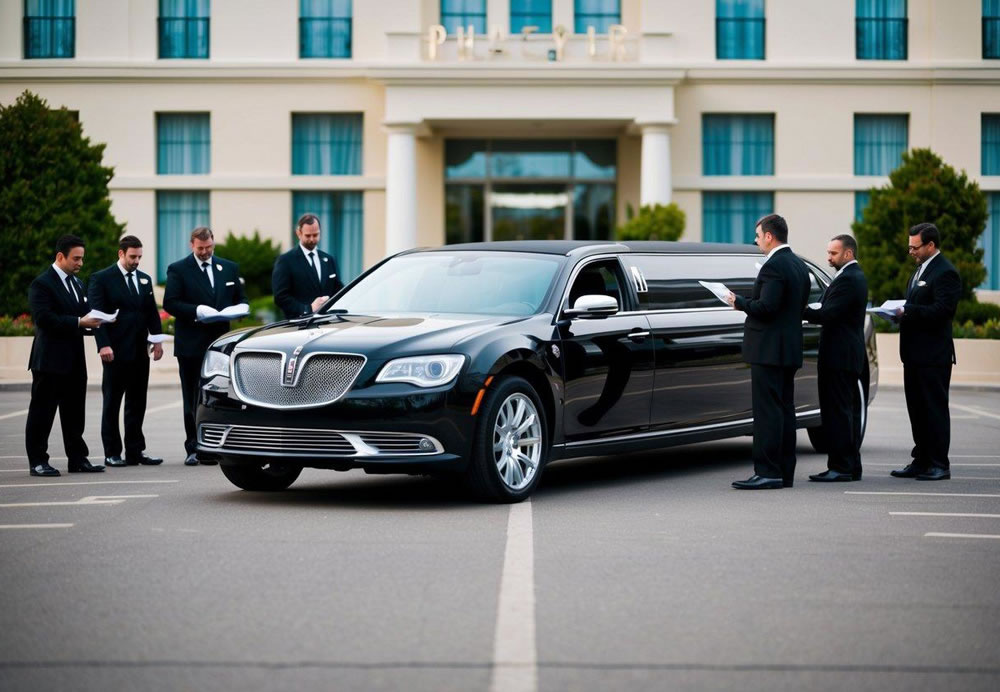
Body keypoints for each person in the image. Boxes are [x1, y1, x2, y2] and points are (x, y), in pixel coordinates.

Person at [725, 214, 810, 490]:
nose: (756, 240)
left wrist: (739, 302)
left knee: (767, 414)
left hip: (768, 351)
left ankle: (767, 471)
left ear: (770, 236)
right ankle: (784, 472)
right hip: (788, 349)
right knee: (785, 411)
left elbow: (767, 307)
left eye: (758, 235)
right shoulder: (798, 265)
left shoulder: (774, 266)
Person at [163, 227, 247, 466]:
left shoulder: (228, 267)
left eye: (208, 247)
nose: (205, 252)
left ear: (213, 243)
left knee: (218, 396)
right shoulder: (178, 269)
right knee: (192, 397)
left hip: (220, 346)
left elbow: (241, 299)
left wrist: (240, 310)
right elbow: (170, 302)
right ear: (192, 245)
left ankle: (214, 446)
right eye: (200, 249)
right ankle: (194, 447)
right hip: (191, 345)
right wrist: (196, 311)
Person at [24, 235, 105, 477]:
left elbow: (83, 314)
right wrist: (80, 321)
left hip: (74, 360)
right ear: (60, 257)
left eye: (82, 258)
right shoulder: (42, 284)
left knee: (74, 413)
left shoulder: (77, 284)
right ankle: (38, 461)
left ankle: (78, 459)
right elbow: (44, 319)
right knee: (42, 413)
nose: (80, 263)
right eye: (76, 258)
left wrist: (100, 319)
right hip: (49, 361)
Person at [890, 223, 961, 481]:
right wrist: (900, 314)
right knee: (917, 410)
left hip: (933, 357)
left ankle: (939, 464)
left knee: (934, 410)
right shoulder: (920, 270)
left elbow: (943, 311)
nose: (911, 251)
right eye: (909, 246)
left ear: (930, 245)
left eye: (915, 247)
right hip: (914, 355)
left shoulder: (945, 273)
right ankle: (921, 460)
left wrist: (908, 311)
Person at [87, 235, 165, 468]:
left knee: (137, 403)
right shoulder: (101, 279)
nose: (136, 261)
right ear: (121, 254)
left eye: (139, 257)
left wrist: (157, 341)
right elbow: (96, 314)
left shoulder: (144, 279)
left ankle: (135, 451)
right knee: (112, 403)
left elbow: (151, 312)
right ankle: (112, 452)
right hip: (115, 351)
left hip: (140, 352)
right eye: (133, 256)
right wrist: (103, 344)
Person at [803, 235, 869, 482]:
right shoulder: (847, 277)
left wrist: (798, 308)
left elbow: (828, 313)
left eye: (833, 253)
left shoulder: (850, 279)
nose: (828, 258)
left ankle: (841, 467)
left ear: (848, 254)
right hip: (844, 355)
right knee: (844, 412)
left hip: (840, 356)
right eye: (828, 252)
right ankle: (850, 466)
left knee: (838, 413)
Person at [272, 213, 344, 320]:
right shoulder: (285, 261)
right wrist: (308, 309)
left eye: (315, 235)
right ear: (298, 233)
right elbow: (280, 297)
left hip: (327, 322)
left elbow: (338, 290)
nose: (311, 239)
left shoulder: (329, 260)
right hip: (298, 324)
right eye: (308, 235)